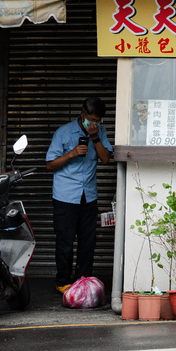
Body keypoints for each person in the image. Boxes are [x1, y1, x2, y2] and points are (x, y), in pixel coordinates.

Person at [46, 97, 112, 292]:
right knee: (65, 241)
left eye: (97, 121)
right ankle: (63, 282)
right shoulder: (63, 133)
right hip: (65, 196)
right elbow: (49, 165)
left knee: (87, 242)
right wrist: (71, 154)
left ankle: (83, 281)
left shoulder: (100, 132)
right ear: (82, 114)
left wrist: (95, 138)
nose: (93, 124)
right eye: (91, 119)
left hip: (89, 196)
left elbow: (106, 159)